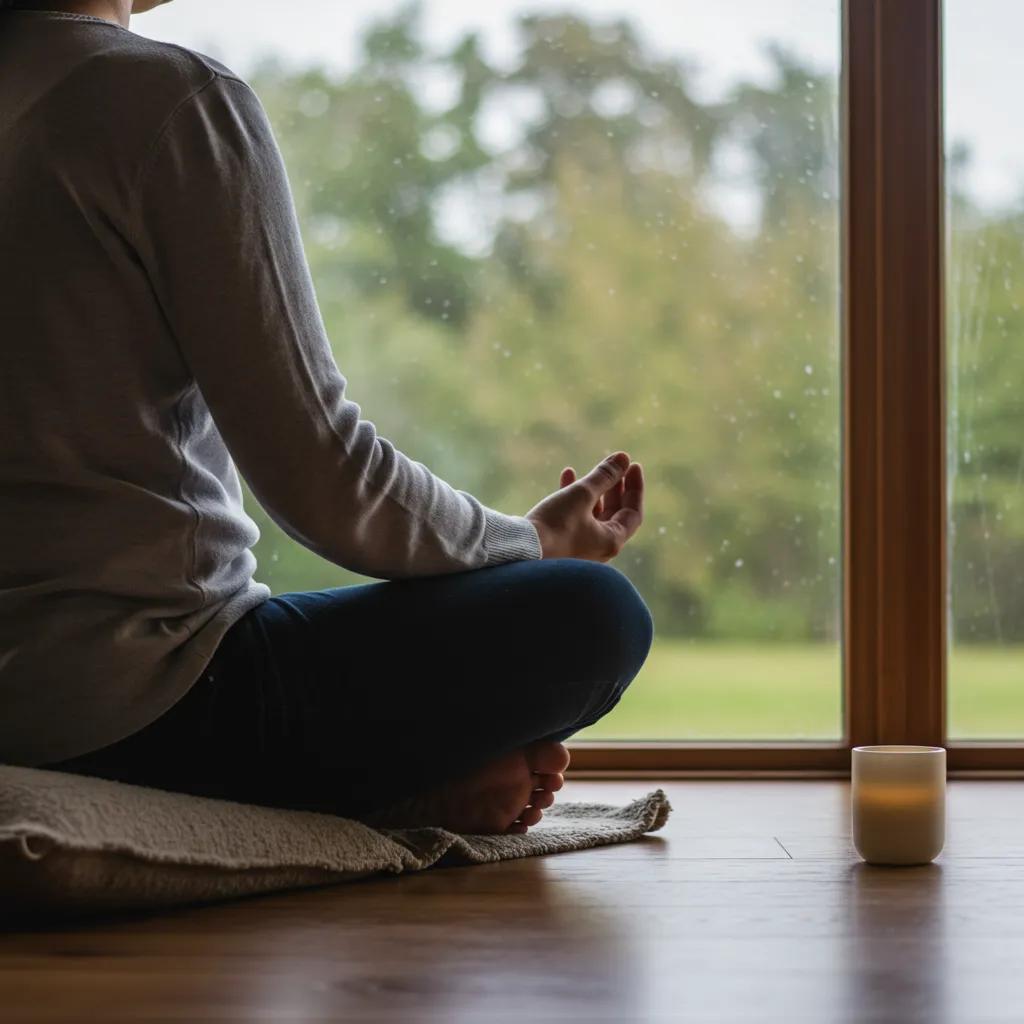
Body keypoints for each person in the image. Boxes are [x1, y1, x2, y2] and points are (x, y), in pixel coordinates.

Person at [0, 0, 653, 834]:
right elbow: (327, 482)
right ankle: (375, 791)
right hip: (145, 706)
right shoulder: (162, 98)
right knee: (592, 613)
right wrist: (534, 544)